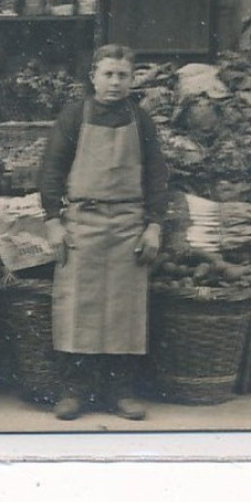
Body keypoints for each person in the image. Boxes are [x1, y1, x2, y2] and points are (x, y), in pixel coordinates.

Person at [37, 44, 170, 421]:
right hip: (82, 220)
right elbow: (51, 170)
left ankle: (120, 391)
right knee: (79, 305)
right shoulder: (74, 115)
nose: (114, 82)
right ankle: (74, 390)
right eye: (108, 74)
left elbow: (157, 176)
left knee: (124, 310)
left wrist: (154, 226)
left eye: (122, 75)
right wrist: (52, 221)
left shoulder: (141, 120)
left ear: (132, 80)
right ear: (93, 76)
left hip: (130, 223)